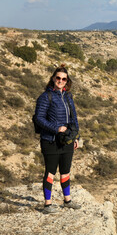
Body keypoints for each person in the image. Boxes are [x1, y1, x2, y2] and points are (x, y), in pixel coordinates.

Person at [34, 64, 81, 214]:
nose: (60, 81)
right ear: (53, 78)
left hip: (66, 140)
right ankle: (48, 204)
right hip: (50, 140)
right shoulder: (45, 96)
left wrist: (76, 137)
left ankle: (67, 200)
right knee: (50, 172)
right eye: (58, 78)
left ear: (67, 81)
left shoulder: (68, 96)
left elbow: (74, 118)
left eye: (64, 79)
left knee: (66, 171)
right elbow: (39, 118)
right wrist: (56, 128)